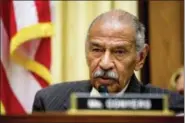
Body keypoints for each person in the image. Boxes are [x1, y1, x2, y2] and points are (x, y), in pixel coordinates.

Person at [32, 9, 184, 113]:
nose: (105, 63)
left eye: (119, 52)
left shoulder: (173, 106)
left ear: (140, 58)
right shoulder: (49, 102)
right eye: (97, 50)